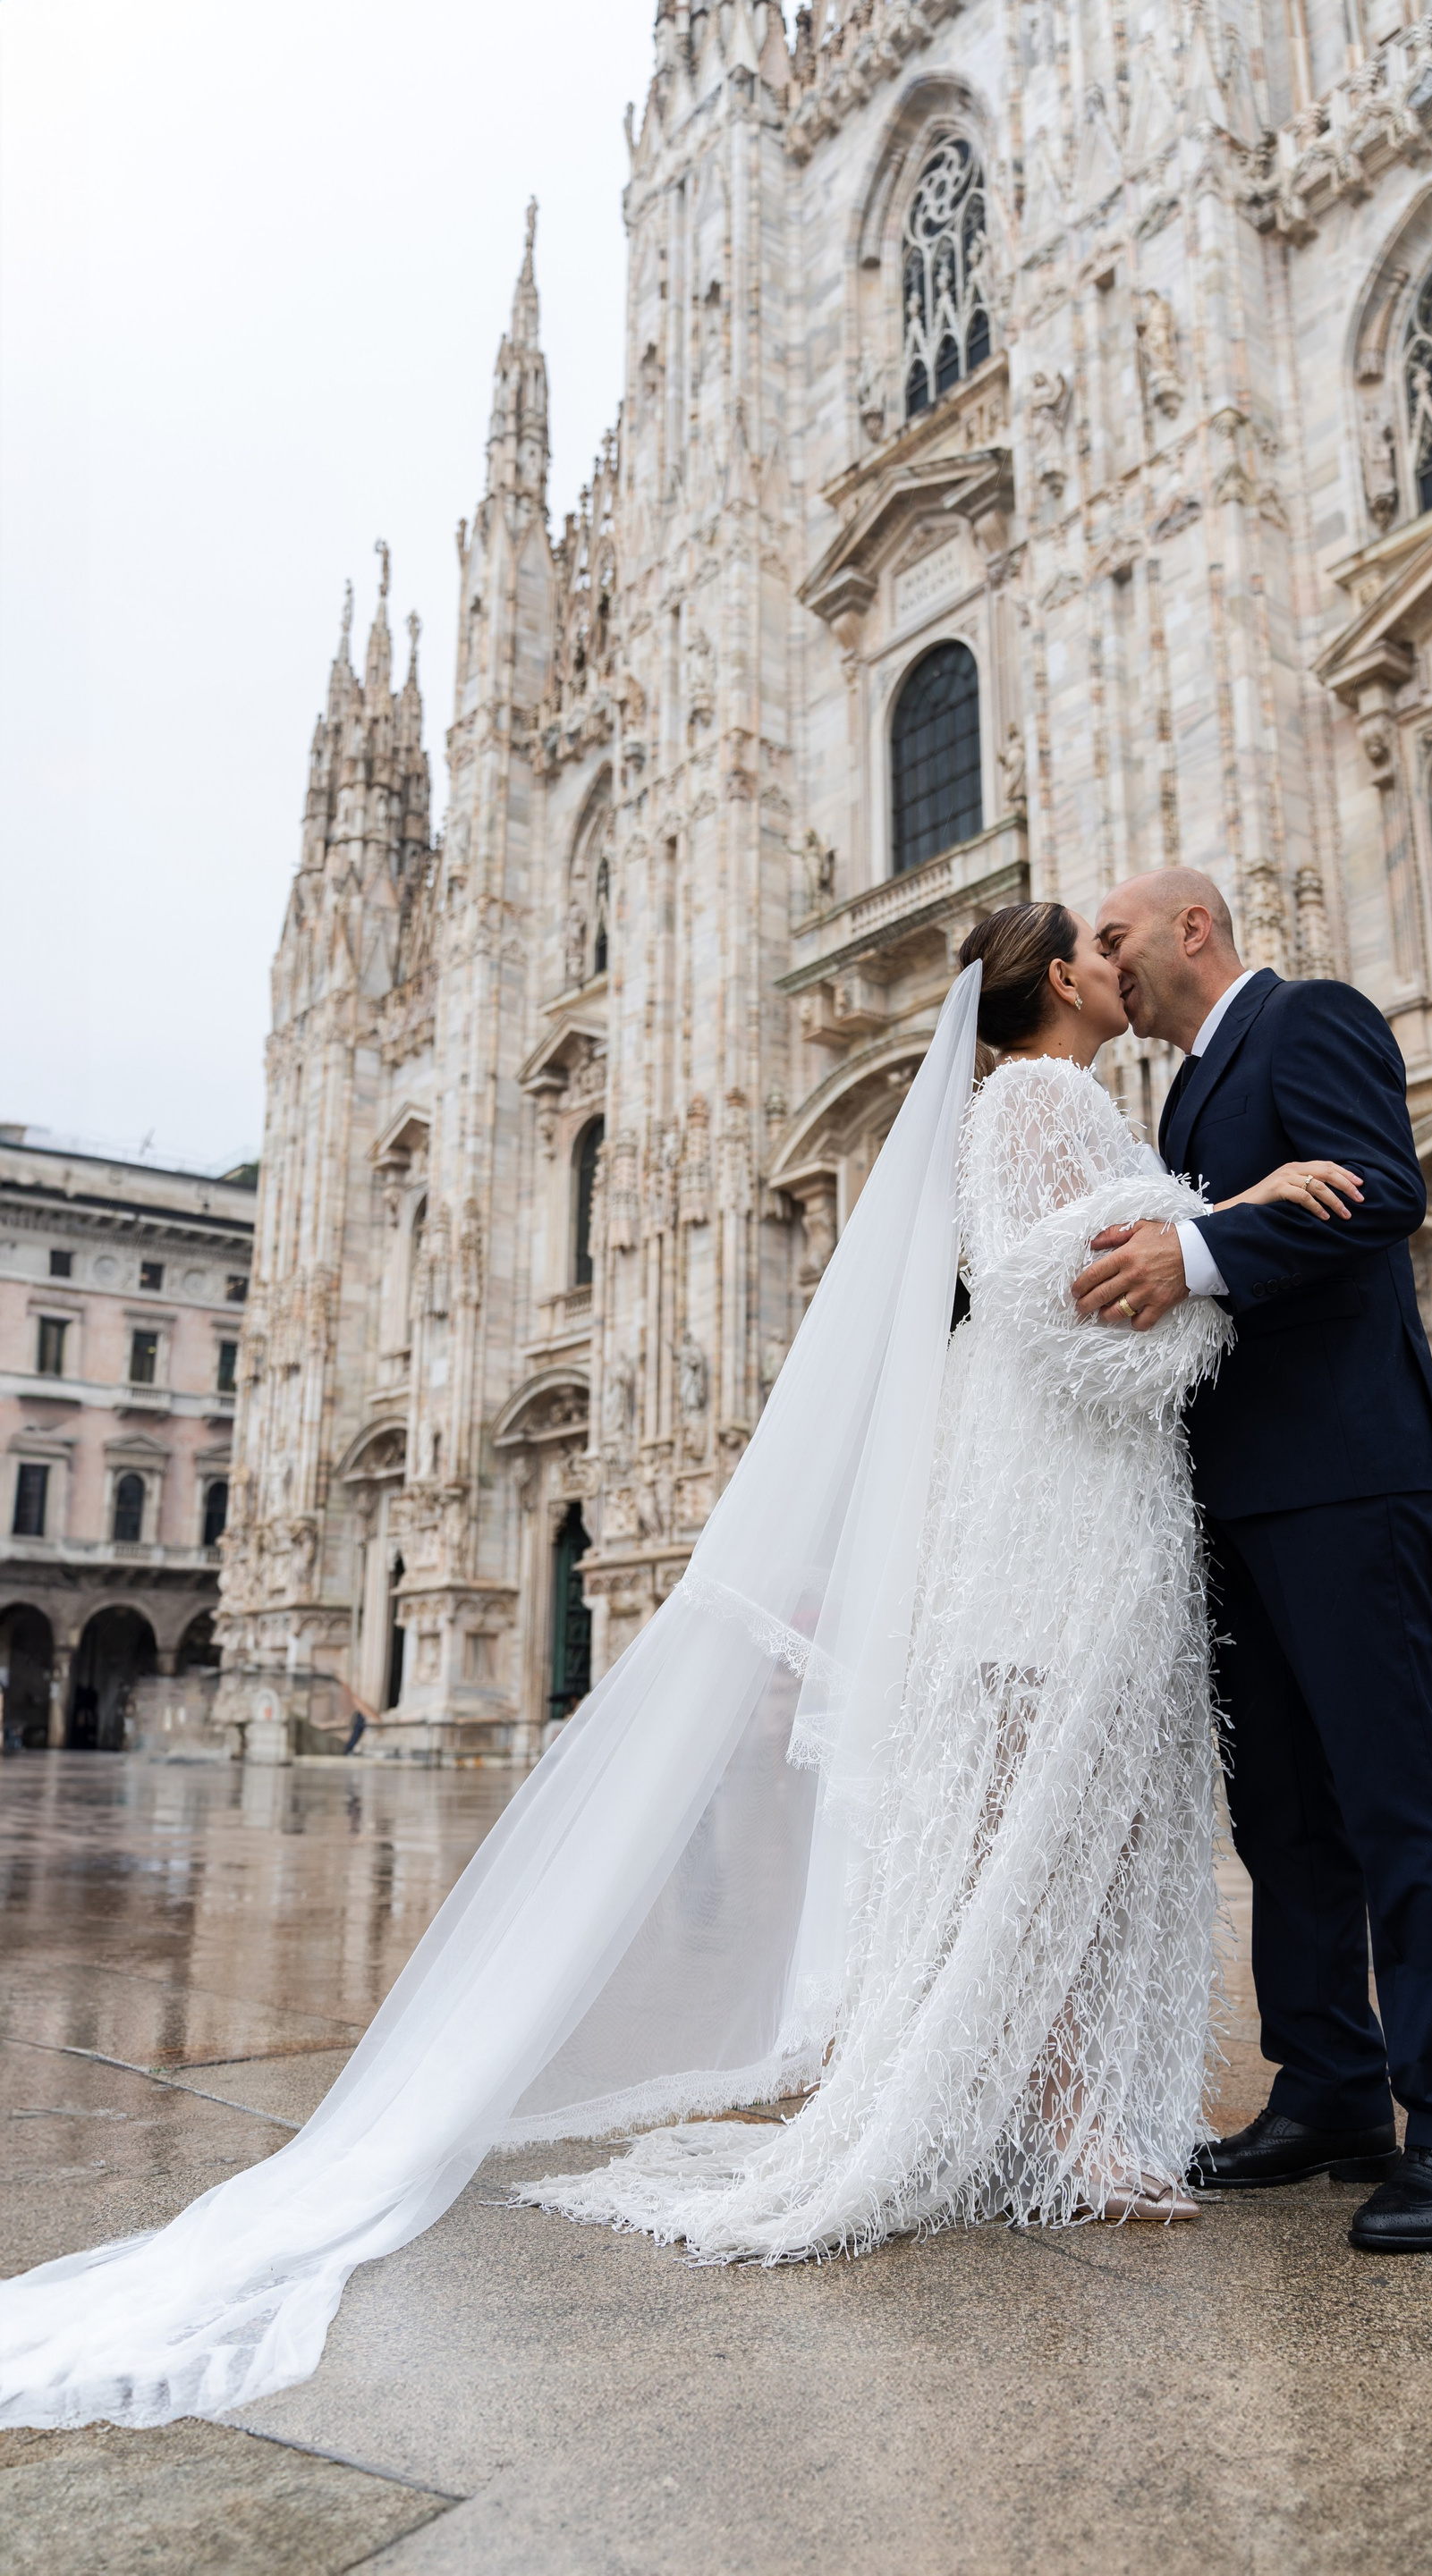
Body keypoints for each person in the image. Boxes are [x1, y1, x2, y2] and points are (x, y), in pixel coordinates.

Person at [0, 907, 1336, 2430]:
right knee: (1046, 1809)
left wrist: (1203, 1242)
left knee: (1048, 1809)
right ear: (1051, 982)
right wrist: (1222, 1255)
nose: (1117, 954)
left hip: (1060, 1488)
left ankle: (1055, 2102)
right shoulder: (1044, 1096)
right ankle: (1061, 2111)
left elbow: (1067, 1278)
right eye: (1093, 943)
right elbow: (1076, 1299)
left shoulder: (1024, 1101)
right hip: (1067, 1489)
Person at [1073, 868, 1432, 2254]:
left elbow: (1381, 1190)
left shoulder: (1309, 1018)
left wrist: (1197, 1253)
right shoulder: (1185, 1095)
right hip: (1240, 1490)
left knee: (1397, 1787)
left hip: (1342, 1470)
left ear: (1193, 927)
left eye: (1118, 935)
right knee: (1282, 1808)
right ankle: (1330, 2084)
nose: (1106, 959)